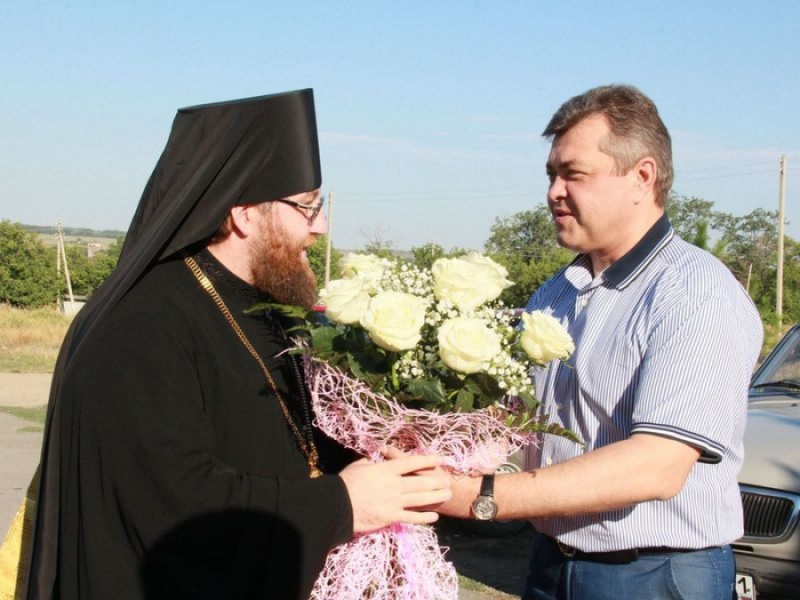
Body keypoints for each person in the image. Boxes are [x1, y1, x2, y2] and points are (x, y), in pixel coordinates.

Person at [25, 89, 451, 600]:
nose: (321, 227)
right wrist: (342, 504)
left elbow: (282, 442)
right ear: (245, 214)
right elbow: (172, 504)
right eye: (308, 208)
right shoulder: (141, 325)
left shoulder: (266, 311)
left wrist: (372, 457)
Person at [438, 85, 763, 599]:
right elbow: (517, 423)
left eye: (574, 174)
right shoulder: (557, 292)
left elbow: (657, 464)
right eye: (551, 175)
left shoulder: (694, 291)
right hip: (551, 565)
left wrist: (483, 496)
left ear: (642, 177)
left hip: (654, 576)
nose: (554, 192)